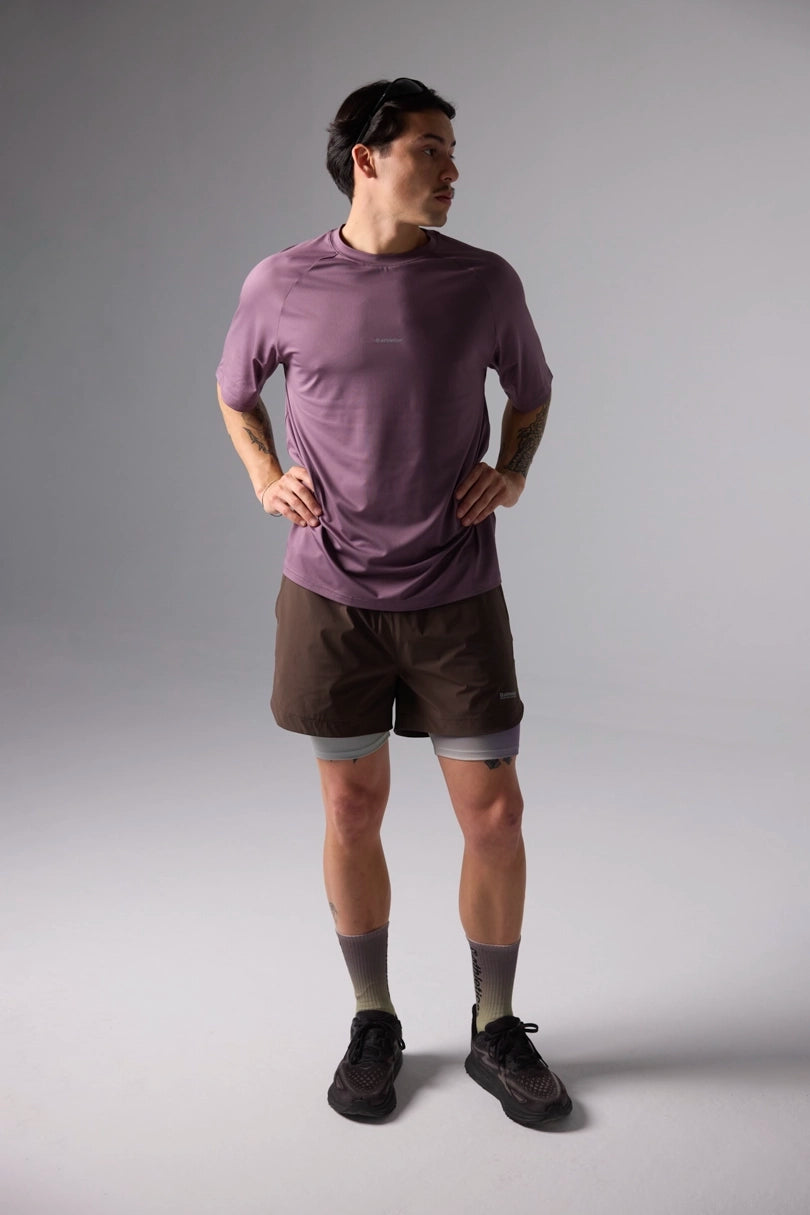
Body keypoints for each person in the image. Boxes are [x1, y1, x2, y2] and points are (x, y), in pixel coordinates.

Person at [216, 77, 572, 1128]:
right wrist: (264, 475)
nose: (453, 168)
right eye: (431, 148)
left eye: (453, 149)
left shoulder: (484, 281)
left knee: (496, 814)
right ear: (367, 157)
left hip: (456, 589)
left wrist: (513, 470)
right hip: (330, 594)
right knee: (350, 808)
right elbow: (236, 393)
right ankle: (373, 1017)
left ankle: (495, 1025)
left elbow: (533, 391)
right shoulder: (282, 281)